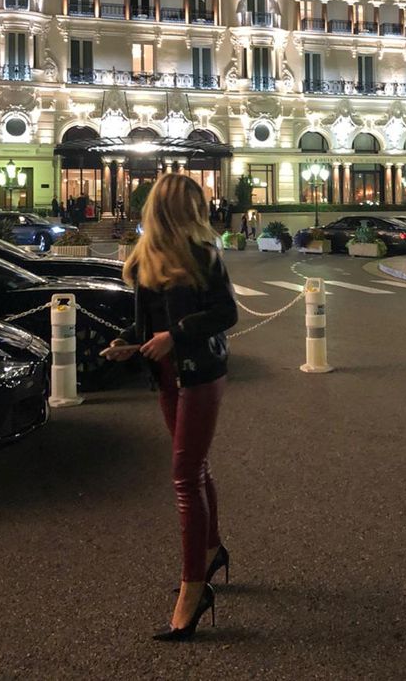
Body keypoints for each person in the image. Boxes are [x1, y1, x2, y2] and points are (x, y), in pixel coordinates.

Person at [103, 173, 238, 641]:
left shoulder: (204, 253)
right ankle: (212, 550)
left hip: (200, 373)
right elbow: (146, 325)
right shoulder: (143, 258)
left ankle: (192, 589)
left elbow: (226, 314)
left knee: (184, 475)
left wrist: (174, 336)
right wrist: (128, 343)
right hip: (166, 377)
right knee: (196, 470)